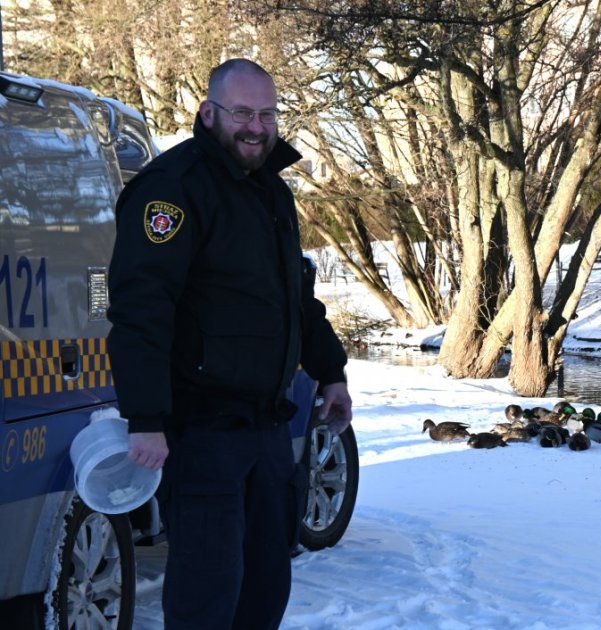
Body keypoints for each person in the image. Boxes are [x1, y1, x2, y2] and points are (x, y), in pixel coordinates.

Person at [106, 58, 352, 630]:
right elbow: (141, 309)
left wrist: (331, 371)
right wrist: (146, 417)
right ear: (209, 112)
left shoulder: (271, 192)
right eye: (242, 113)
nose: (256, 127)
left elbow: (296, 298)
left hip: (267, 430)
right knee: (207, 596)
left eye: (267, 115)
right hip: (202, 433)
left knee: (264, 590)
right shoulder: (172, 189)